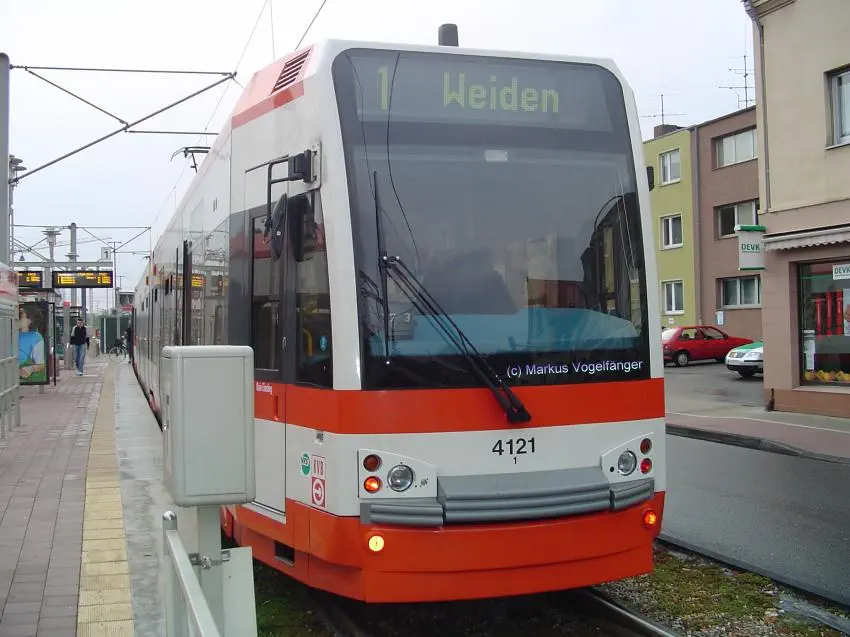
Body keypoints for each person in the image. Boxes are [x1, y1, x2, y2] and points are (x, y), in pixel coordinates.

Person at [19, 305, 47, 382]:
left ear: (30, 320)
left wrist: (30, 369)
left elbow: (40, 364)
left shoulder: (36, 337)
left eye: (20, 315)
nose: (17, 318)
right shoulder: (9, 332)